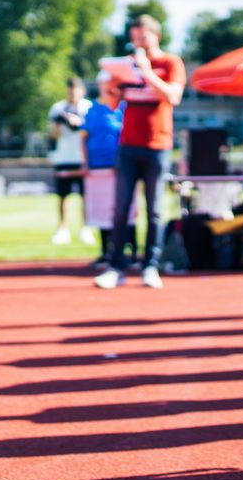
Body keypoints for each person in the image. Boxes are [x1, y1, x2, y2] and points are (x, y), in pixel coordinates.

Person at [97, 15, 185, 289]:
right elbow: (112, 104)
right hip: (128, 145)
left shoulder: (170, 63)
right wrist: (109, 88)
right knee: (121, 208)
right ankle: (115, 266)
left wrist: (146, 73)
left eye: (143, 38)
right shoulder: (126, 64)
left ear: (155, 36)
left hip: (158, 145)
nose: (139, 44)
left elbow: (173, 96)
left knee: (154, 209)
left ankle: (150, 266)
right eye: (135, 39)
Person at [82, 77, 125, 268]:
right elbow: (84, 138)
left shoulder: (122, 108)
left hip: (119, 167)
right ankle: (105, 251)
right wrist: (85, 163)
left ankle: (124, 251)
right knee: (102, 210)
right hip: (97, 167)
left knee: (122, 209)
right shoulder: (92, 110)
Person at [48, 78, 93, 244]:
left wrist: (78, 124)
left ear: (82, 91)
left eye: (75, 90)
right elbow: (53, 135)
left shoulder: (88, 107)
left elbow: (90, 132)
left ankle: (86, 228)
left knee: (86, 196)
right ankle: (63, 229)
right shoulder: (58, 108)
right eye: (69, 91)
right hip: (64, 157)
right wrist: (60, 123)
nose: (72, 94)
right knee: (62, 195)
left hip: (83, 157)